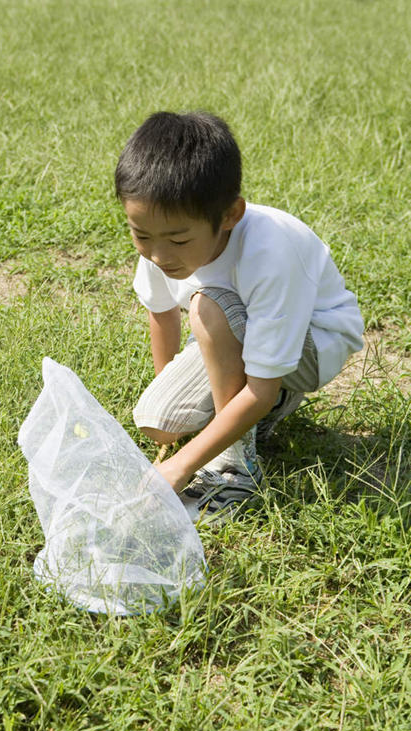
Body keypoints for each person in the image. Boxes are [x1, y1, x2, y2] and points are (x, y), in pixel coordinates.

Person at [115, 111, 364, 525]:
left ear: (230, 215)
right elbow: (160, 312)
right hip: (232, 327)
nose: (158, 255)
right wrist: (175, 411)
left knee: (208, 307)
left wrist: (181, 467)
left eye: (178, 239)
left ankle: (237, 471)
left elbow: (259, 388)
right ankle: (245, 419)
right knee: (159, 423)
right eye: (141, 235)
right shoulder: (162, 241)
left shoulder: (271, 251)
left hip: (311, 344)